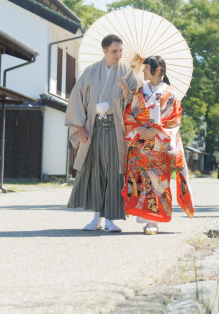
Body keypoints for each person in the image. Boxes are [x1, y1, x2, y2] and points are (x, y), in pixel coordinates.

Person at [65, 34, 139, 232]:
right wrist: (80, 128)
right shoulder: (90, 72)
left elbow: (136, 102)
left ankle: (110, 220)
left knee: (115, 174)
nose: (118, 55)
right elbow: (76, 99)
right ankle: (96, 218)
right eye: (114, 51)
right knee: (95, 173)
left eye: (121, 51)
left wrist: (125, 93)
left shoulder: (128, 72)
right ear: (104, 51)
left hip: (116, 131)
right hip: (94, 129)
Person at [118, 55, 194, 234]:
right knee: (140, 181)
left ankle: (154, 222)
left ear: (157, 70)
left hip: (159, 144)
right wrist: (138, 127)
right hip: (139, 143)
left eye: (146, 67)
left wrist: (155, 130)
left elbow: (174, 120)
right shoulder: (138, 91)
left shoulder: (171, 94)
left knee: (157, 182)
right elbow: (128, 114)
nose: (142, 71)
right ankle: (145, 218)